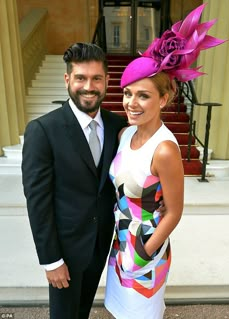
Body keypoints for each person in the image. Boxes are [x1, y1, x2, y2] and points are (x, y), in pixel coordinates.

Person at [104, 4, 225, 319]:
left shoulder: (165, 149)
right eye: (128, 93)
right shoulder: (124, 135)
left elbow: (174, 211)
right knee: (121, 309)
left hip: (146, 245)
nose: (131, 102)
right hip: (120, 241)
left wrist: (144, 252)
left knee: (142, 311)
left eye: (143, 95)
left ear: (164, 98)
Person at [21, 42, 127, 319]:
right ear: (68, 79)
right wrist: (50, 260)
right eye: (80, 77)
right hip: (64, 250)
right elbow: (37, 202)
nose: (88, 86)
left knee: (81, 312)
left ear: (107, 81)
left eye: (96, 78)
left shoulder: (118, 127)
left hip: (101, 243)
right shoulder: (43, 130)